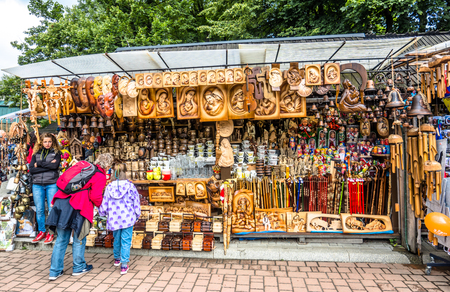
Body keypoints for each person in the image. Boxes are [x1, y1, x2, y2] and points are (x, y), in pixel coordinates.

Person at [47, 153, 113, 281]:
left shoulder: (83, 166)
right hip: (79, 206)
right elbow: (95, 196)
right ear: (108, 166)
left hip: (61, 202)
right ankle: (78, 267)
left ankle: (54, 271)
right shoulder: (100, 175)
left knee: (61, 239)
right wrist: (102, 208)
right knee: (79, 236)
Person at [99, 164, 140, 275]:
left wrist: (101, 212)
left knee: (116, 239)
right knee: (126, 241)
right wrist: (137, 214)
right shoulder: (130, 186)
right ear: (125, 173)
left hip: (114, 218)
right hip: (128, 218)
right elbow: (136, 202)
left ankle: (117, 259)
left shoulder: (109, 187)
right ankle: (124, 265)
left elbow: (105, 203)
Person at [29, 133, 61, 244]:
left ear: (53, 142)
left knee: (52, 209)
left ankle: (51, 232)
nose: (47, 144)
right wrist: (47, 165)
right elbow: (32, 170)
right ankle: (42, 231)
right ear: (41, 142)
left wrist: (40, 164)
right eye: (45, 141)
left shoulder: (57, 153)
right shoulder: (35, 153)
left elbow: (55, 166)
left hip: (52, 183)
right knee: (40, 209)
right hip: (37, 184)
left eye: (50, 141)